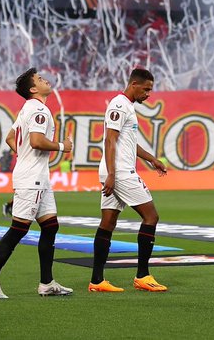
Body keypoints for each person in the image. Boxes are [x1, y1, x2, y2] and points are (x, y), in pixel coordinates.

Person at [0, 68, 75, 299]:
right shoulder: (39, 109)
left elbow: (10, 138)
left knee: (50, 226)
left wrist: (22, 156)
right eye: (40, 79)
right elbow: (36, 141)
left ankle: (46, 283)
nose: (45, 80)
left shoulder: (27, 108)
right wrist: (62, 146)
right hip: (32, 178)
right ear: (33, 89)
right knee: (18, 229)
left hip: (38, 176)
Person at [87, 68, 169, 293]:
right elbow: (110, 140)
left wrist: (152, 159)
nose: (148, 94)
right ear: (134, 84)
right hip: (120, 172)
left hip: (115, 171)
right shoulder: (119, 105)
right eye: (146, 89)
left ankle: (97, 281)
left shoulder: (127, 106)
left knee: (108, 222)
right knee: (151, 216)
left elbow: (128, 143)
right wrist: (112, 174)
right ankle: (143, 275)